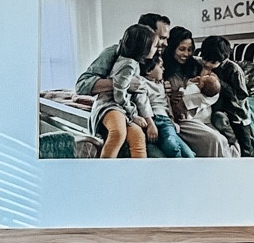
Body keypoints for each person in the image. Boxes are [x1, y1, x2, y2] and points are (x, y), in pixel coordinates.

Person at [162, 27, 233, 158]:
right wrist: (171, 98)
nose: (186, 54)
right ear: (172, 48)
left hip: (200, 114)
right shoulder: (162, 68)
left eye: (190, 50)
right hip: (180, 119)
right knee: (214, 140)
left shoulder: (198, 64)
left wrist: (187, 102)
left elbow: (213, 92)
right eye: (182, 49)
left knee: (223, 141)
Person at [92, 23, 159, 160]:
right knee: (118, 133)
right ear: (143, 48)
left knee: (138, 135)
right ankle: (104, 170)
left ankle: (139, 173)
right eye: (155, 46)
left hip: (122, 108)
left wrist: (147, 120)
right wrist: (133, 115)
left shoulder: (134, 64)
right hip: (110, 105)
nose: (157, 49)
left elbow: (139, 95)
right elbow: (119, 93)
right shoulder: (127, 65)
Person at [76, 12, 170, 100]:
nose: (166, 44)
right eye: (162, 38)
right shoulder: (114, 52)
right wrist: (122, 82)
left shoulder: (160, 56)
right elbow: (82, 85)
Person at [200, 35, 254, 157]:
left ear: (223, 58)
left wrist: (219, 82)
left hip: (237, 114)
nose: (207, 64)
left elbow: (240, 95)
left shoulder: (234, 70)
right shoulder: (206, 65)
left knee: (245, 147)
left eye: (212, 62)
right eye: (205, 59)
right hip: (218, 111)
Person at [140, 51, 194, 159]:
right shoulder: (142, 83)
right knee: (171, 147)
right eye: (160, 66)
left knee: (189, 155)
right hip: (153, 120)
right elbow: (142, 103)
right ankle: (178, 171)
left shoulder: (161, 83)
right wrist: (151, 124)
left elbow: (167, 103)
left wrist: (172, 120)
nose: (163, 69)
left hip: (165, 121)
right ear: (148, 70)